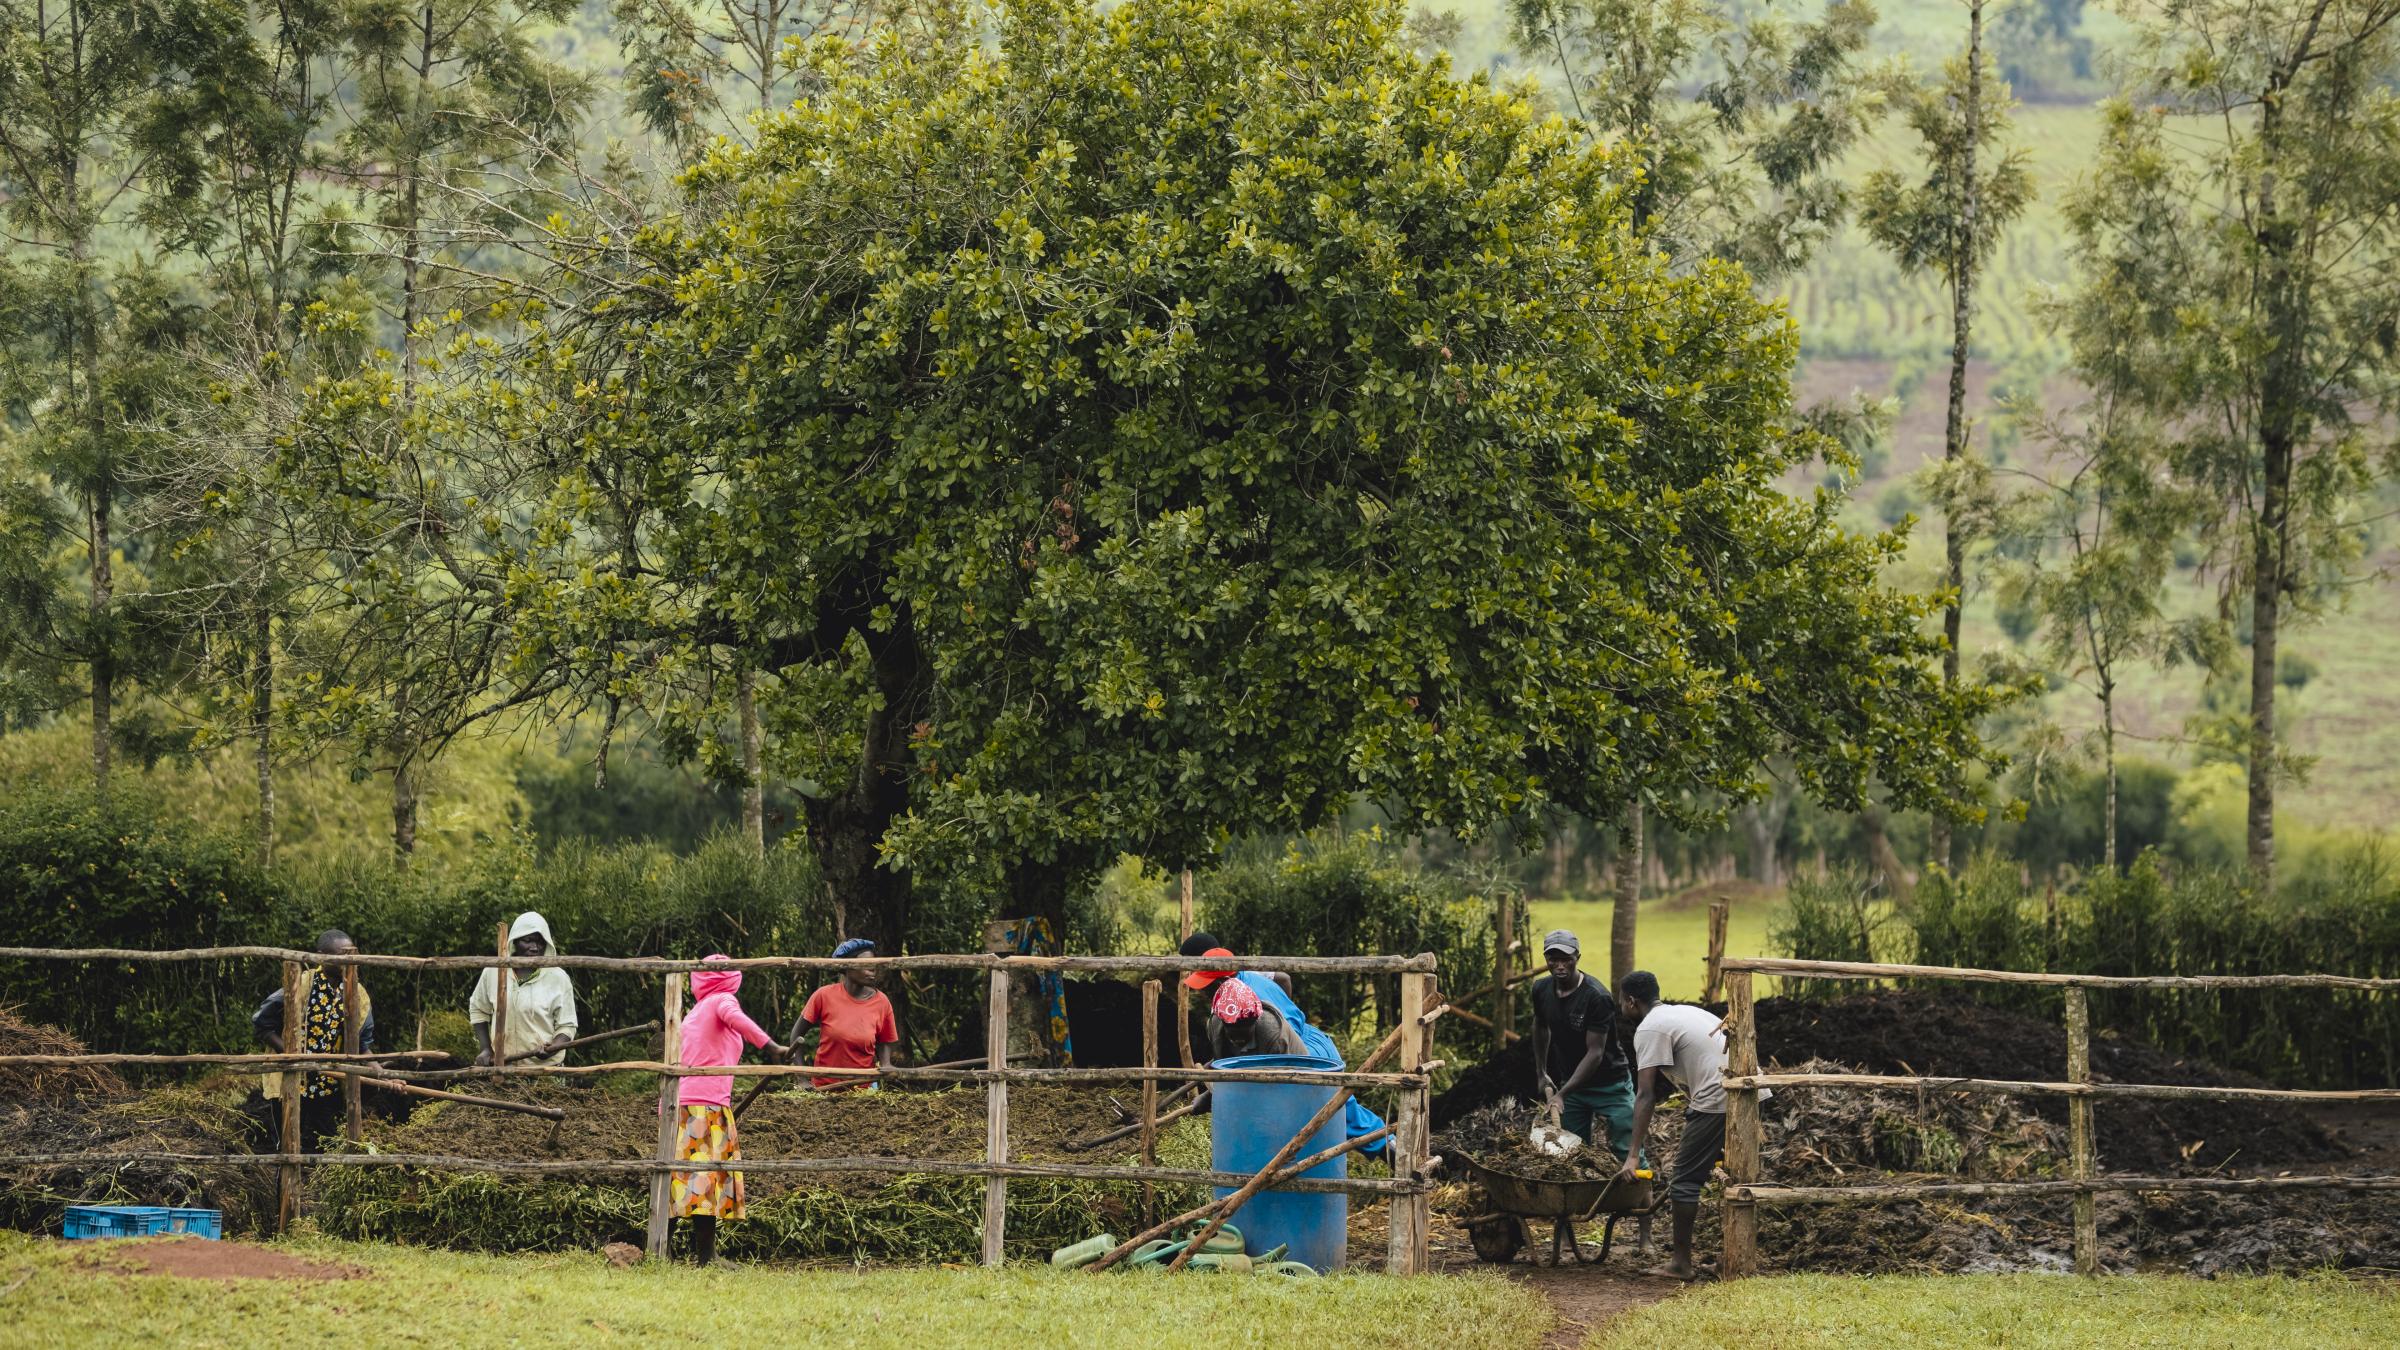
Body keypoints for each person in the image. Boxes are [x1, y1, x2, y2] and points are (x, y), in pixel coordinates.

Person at [1183, 941, 1388, 1156]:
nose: (1203, 992)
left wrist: (1212, 1095)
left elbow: (1270, 1079)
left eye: (1207, 986)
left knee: (1337, 1112)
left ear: (1225, 979)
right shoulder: (1241, 983)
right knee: (1336, 1114)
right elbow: (1284, 978)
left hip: (1306, 1049)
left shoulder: (1258, 1013)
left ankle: (1392, 1149)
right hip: (1292, 1038)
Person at [672, 955, 790, 1266]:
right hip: (704, 1106)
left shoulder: (695, 1011)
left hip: (684, 1103)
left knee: (680, 1176)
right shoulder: (721, 1001)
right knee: (704, 1180)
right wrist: (771, 1047)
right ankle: (706, 1257)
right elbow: (736, 1019)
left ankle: (663, 1250)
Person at [1613, 969, 1729, 1281]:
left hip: (1718, 1094)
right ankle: (1732, 1256)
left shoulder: (1649, 1028)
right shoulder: (1685, 1012)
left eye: (1621, 1002)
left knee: (1684, 1182)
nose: (1621, 1008)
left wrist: (1633, 1154)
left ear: (1632, 1001)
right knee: (1737, 1178)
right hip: (1747, 1088)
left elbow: (1646, 1094)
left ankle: (1680, 1264)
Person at [250, 930, 374, 1154]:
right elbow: (263, 1023)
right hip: (291, 1084)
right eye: (340, 955)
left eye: (351, 954)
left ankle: (321, 1188)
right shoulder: (301, 985)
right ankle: (285, 1189)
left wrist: (382, 1072)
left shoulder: (358, 994)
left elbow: (362, 1044)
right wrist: (294, 1054)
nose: (347, 960)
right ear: (320, 957)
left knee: (329, 1146)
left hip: (327, 1086)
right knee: (288, 1148)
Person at [1528, 929, 1634, 1161]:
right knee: (1570, 1155)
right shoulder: (1541, 989)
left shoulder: (1596, 997)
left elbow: (1595, 1053)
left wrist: (1561, 1095)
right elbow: (1540, 1025)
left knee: (1628, 1152)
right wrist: (1541, 1072)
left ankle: (1642, 1196)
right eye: (1553, 959)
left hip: (1611, 1084)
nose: (1559, 965)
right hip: (1574, 1085)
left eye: (1566, 958)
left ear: (1577, 957)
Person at [469, 911, 578, 1067]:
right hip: (503, 1068)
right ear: (515, 942)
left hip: (545, 1071)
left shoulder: (558, 978)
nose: (534, 948)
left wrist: (553, 1047)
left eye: (540, 942)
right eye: (527, 941)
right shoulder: (494, 972)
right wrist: (486, 1048)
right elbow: (478, 1009)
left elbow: (567, 1025)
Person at [795, 937, 898, 1091]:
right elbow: (796, 1034)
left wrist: (886, 1063)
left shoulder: (882, 1002)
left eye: (873, 964)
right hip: (824, 1087)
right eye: (866, 965)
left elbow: (884, 1040)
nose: (873, 969)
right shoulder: (824, 996)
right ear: (847, 968)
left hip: (863, 1089)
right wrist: (802, 1078)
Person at [1204, 974, 1308, 1060]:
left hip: (1291, 1071)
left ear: (1255, 1020)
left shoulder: (1274, 1035)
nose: (1238, 1038)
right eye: (1233, 1029)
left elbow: (1277, 1079)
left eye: (1243, 1028)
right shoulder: (1215, 1025)